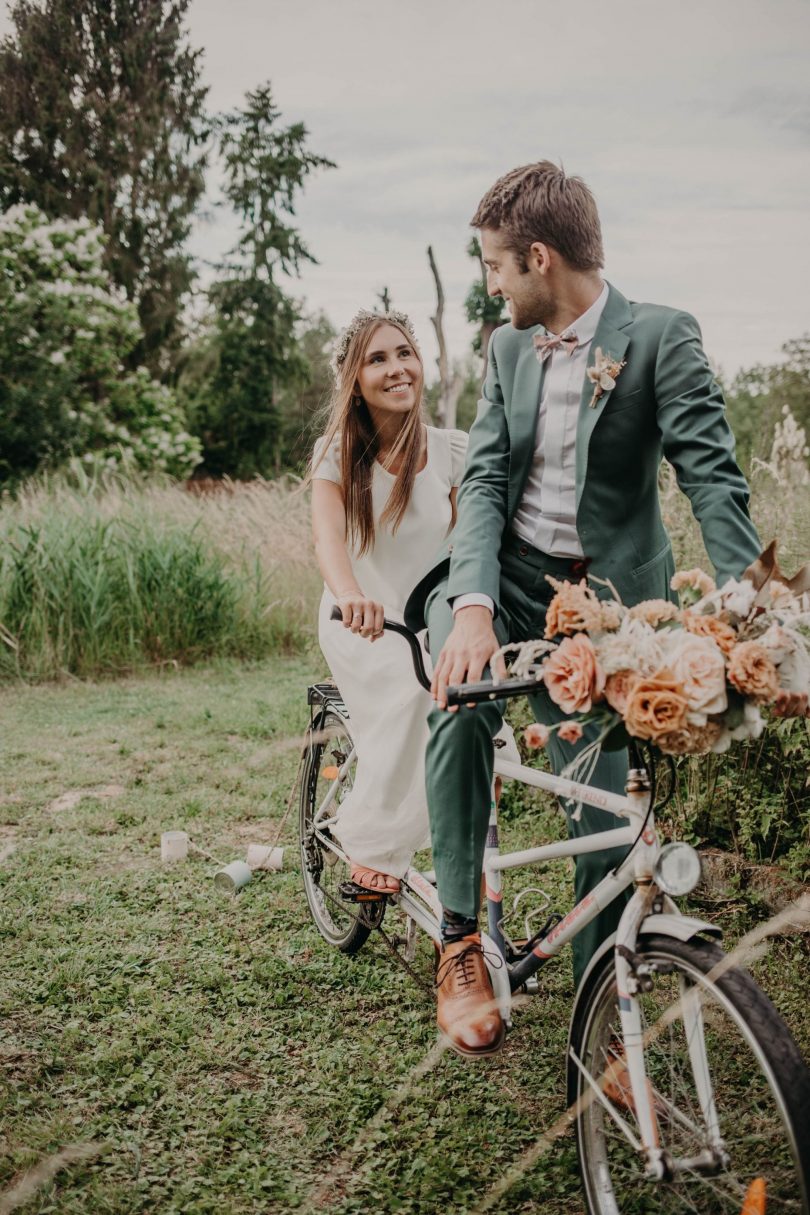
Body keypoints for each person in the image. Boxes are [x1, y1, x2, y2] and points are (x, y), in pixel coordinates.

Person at [404, 160, 768, 1058]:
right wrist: (476, 606)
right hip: (509, 579)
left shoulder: (658, 337)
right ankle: (459, 938)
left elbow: (711, 478)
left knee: (606, 801)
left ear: (538, 258)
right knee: (457, 695)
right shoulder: (506, 347)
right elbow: (486, 475)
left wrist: (752, 602)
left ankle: (599, 998)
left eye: (495, 265)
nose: (491, 283)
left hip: (612, 601)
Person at [310, 308, 470, 893]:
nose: (397, 368)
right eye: (377, 359)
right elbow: (328, 538)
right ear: (354, 379)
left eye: (404, 353)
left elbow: (474, 542)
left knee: (470, 712)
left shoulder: (453, 450)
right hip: (361, 620)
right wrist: (351, 595)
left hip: (431, 618)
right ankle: (374, 843)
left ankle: (460, 844)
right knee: (412, 695)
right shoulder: (337, 453)